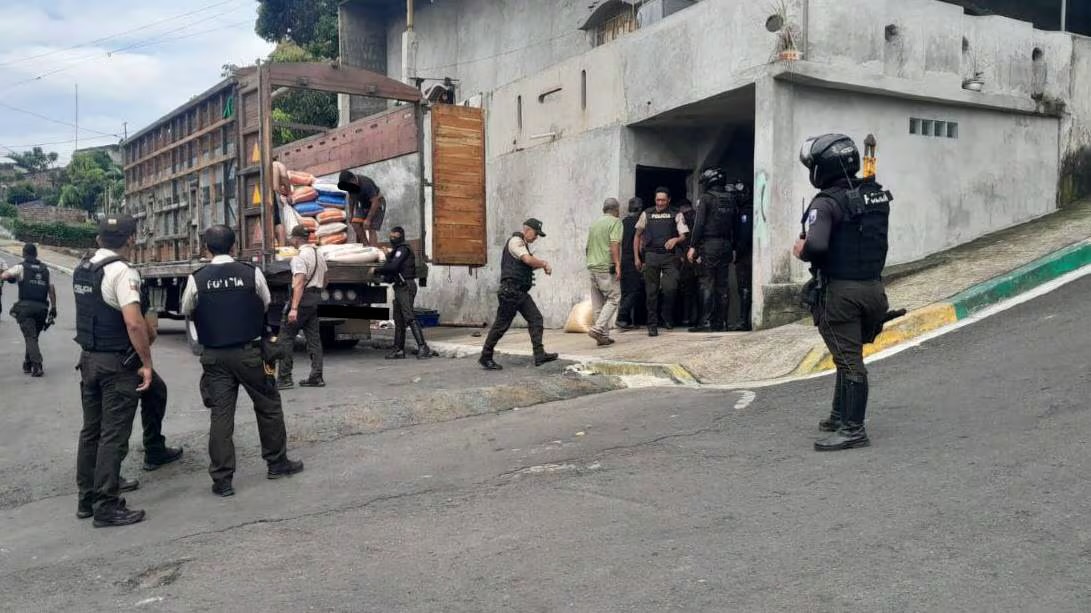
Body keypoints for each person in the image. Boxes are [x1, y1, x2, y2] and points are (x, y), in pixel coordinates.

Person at [181, 225, 304, 496]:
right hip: (249, 353)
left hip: (215, 357)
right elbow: (265, 303)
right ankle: (276, 463)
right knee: (268, 406)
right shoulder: (251, 273)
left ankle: (222, 480)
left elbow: (187, 308)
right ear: (234, 246)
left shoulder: (197, 278)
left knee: (221, 416)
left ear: (206, 249)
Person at [794, 133, 893, 452]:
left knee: (850, 361)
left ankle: (853, 429)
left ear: (821, 169)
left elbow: (817, 246)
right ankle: (839, 416)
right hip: (874, 290)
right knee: (846, 355)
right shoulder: (874, 195)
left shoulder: (825, 203)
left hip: (841, 295)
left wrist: (800, 249)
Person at [73, 214, 152, 527]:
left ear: (98, 239)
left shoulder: (83, 268)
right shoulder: (121, 272)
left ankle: (86, 499)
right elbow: (134, 323)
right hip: (116, 364)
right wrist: (146, 363)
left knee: (90, 431)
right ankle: (106, 504)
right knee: (113, 435)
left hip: (89, 359)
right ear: (131, 239)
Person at [479, 219, 558, 370]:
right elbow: (527, 260)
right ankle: (485, 356)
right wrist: (544, 264)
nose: (536, 237)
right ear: (527, 230)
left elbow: (525, 266)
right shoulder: (516, 241)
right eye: (535, 234)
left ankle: (539, 355)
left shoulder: (523, 245)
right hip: (510, 291)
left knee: (536, 319)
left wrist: (539, 266)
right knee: (501, 325)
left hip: (519, 292)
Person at [276, 225, 327, 389]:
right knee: (314, 339)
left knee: (286, 337)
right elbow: (326, 278)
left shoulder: (299, 257)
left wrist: (294, 308)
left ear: (296, 239)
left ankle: (284, 378)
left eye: (292, 238)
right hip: (314, 298)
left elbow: (298, 284)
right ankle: (316, 376)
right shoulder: (319, 254)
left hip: (302, 300)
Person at [633, 187, 689, 337]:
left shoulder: (676, 213)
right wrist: (637, 257)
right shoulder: (647, 214)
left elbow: (684, 235)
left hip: (669, 257)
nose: (660, 203)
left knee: (671, 288)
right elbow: (637, 235)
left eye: (663, 200)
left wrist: (675, 239)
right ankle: (652, 325)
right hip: (651, 255)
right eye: (658, 200)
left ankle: (666, 315)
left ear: (668, 200)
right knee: (651, 292)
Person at [687, 169, 738, 332]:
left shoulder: (706, 198)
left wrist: (693, 246)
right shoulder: (731, 198)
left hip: (710, 245)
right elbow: (735, 225)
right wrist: (734, 247)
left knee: (706, 282)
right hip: (726, 245)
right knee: (722, 285)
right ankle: (721, 323)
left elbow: (699, 224)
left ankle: (706, 322)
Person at [378, 226, 433, 360]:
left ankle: (423, 347)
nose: (392, 239)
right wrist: (388, 256)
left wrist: (377, 270)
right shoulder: (398, 250)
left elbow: (393, 266)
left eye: (395, 236)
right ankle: (398, 349)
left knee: (409, 317)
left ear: (401, 237)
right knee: (399, 319)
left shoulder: (403, 249)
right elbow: (394, 264)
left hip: (405, 286)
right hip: (399, 286)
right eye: (391, 236)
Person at [1, 243, 56, 376]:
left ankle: (37, 365)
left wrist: (11, 278)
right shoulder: (45, 269)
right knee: (33, 337)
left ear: (24, 254)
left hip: (26, 308)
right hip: (42, 309)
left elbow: (4, 276)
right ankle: (28, 363)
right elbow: (51, 288)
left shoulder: (21, 267)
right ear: (36, 254)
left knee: (30, 337)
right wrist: (54, 307)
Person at [585, 198, 623, 346]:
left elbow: (587, 247)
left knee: (598, 303)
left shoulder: (595, 224)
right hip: (606, 267)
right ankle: (598, 328)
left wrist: (591, 261)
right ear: (616, 210)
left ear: (603, 209)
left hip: (593, 266)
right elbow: (614, 244)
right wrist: (617, 264)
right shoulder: (615, 222)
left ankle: (603, 337)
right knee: (614, 298)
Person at [616, 197, 646, 329]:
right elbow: (641, 244)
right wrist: (642, 259)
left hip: (623, 258)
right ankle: (622, 316)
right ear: (640, 209)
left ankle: (626, 321)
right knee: (635, 290)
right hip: (634, 259)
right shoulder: (639, 223)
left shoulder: (623, 222)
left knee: (626, 291)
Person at [337, 170, 385, 247]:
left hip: (377, 203)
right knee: (355, 223)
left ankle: (373, 249)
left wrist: (368, 219)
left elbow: (375, 202)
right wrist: (351, 214)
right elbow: (351, 199)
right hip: (364, 205)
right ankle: (366, 245)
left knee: (371, 227)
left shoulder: (366, 183)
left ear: (353, 180)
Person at [731, 182, 754, 331]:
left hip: (746, 254)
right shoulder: (742, 210)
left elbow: (744, 236)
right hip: (747, 253)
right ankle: (743, 320)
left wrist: (737, 252)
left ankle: (743, 321)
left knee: (744, 287)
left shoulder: (746, 212)